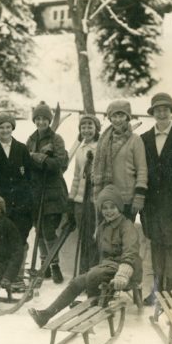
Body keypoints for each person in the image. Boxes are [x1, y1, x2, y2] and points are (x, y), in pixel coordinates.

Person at [28, 185, 142, 327]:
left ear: (119, 207)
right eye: (105, 208)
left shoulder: (127, 227)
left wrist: (123, 274)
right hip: (107, 268)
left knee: (93, 275)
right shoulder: (102, 227)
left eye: (112, 207)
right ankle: (47, 314)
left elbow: (130, 253)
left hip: (126, 269)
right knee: (77, 281)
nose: (108, 211)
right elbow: (100, 255)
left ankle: (92, 305)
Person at [140, 93, 172, 306]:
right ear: (153, 113)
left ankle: (169, 293)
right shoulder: (144, 139)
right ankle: (157, 291)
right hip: (151, 206)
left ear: (171, 111)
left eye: (165, 109)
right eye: (157, 110)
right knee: (156, 246)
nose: (162, 113)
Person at [26, 101, 69, 284]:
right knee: (40, 231)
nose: (41, 122)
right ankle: (45, 265)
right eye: (38, 118)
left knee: (49, 231)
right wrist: (35, 158)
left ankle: (54, 265)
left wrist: (41, 158)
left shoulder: (56, 139)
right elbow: (27, 164)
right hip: (36, 191)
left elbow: (60, 164)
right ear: (34, 120)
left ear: (49, 120)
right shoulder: (31, 140)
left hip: (52, 191)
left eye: (44, 119)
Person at [0, 110, 33, 291]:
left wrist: (27, 198)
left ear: (12, 128)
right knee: (5, 239)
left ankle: (17, 277)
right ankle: (4, 275)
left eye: (8, 127)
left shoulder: (21, 148)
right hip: (3, 204)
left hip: (22, 204)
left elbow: (30, 176)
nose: (5, 130)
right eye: (1, 127)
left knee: (20, 239)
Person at [93, 100, 148, 221]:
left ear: (128, 118)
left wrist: (139, 196)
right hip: (106, 198)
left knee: (124, 237)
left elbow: (142, 169)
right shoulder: (104, 140)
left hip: (126, 199)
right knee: (107, 237)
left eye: (121, 115)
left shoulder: (135, 140)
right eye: (114, 116)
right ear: (110, 118)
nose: (118, 120)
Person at [68, 113, 101, 274]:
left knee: (92, 239)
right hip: (80, 200)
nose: (86, 130)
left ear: (96, 129)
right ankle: (82, 272)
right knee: (82, 238)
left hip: (94, 200)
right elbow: (76, 176)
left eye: (90, 126)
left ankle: (92, 273)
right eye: (83, 127)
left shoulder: (100, 148)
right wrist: (72, 196)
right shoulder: (80, 149)